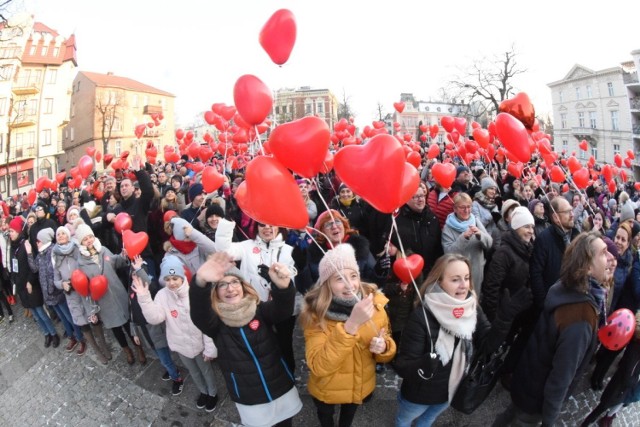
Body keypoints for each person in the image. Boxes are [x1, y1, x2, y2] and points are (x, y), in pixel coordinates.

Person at [394, 253, 529, 426]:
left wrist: (504, 319)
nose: (464, 285)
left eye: (467, 278)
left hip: (451, 391)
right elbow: (403, 366)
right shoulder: (421, 317)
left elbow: (487, 345)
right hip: (419, 396)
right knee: (403, 421)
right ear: (439, 281)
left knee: (428, 420)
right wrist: (421, 365)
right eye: (455, 279)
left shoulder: (471, 307)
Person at [497, 232, 611, 426]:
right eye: (603, 253)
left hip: (526, 383)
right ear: (588, 268)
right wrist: (549, 421)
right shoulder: (581, 317)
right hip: (536, 399)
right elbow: (560, 378)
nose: (610, 258)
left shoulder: (564, 286)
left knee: (507, 418)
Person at [189, 252, 302, 426]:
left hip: (279, 386)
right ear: (216, 293)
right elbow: (199, 314)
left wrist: (284, 288)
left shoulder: (260, 310)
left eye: (235, 282)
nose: (230, 288)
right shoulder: (216, 323)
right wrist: (200, 282)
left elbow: (283, 310)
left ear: (243, 286)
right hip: (249, 397)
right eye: (222, 285)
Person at [300, 244, 396, 427]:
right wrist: (351, 324)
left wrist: (383, 348)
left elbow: (387, 345)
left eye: (353, 276)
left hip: (358, 385)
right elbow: (318, 366)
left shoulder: (374, 305)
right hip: (326, 388)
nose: (349, 285)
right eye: (339, 279)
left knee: (348, 417)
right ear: (326, 283)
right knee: (325, 415)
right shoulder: (315, 314)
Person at [133, 255, 219, 411]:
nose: (171, 283)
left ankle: (213, 393)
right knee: (194, 371)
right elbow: (155, 318)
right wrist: (144, 298)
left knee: (206, 371)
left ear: (182, 277)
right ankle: (203, 392)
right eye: (168, 279)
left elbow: (207, 322)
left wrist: (210, 348)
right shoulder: (162, 295)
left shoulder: (195, 293)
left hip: (200, 345)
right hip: (181, 346)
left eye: (175, 278)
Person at [214, 218, 297, 372]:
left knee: (285, 344)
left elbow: (292, 279)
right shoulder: (246, 247)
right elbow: (222, 250)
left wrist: (276, 281)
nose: (267, 228)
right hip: (255, 307)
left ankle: (289, 374)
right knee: (261, 343)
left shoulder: (288, 250)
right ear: (256, 227)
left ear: (279, 227)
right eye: (262, 224)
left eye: (271, 224)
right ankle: (267, 373)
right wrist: (226, 225)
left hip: (281, 309)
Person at [75, 223, 145, 365]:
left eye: (90, 237)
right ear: (81, 242)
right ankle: (127, 350)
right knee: (116, 329)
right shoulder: (80, 264)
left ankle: (138, 349)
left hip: (119, 295)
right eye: (85, 239)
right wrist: (91, 311)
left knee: (128, 324)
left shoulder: (104, 250)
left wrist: (123, 256)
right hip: (103, 302)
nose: (89, 240)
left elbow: (116, 262)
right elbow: (84, 291)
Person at [52, 226, 111, 363]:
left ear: (68, 236)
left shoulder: (78, 249)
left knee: (94, 319)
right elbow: (55, 280)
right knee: (83, 324)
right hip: (71, 295)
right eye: (58, 234)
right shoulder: (55, 256)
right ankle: (97, 350)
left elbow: (86, 266)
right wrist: (62, 284)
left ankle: (103, 344)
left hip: (85, 292)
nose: (60, 235)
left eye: (63, 233)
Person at [26, 228, 85, 353]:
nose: (36, 243)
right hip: (48, 294)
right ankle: (71, 336)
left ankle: (80, 338)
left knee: (69, 316)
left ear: (44, 240)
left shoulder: (52, 251)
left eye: (38, 240)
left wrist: (52, 289)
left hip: (56, 292)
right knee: (62, 317)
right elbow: (35, 269)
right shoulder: (41, 253)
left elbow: (54, 272)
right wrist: (30, 254)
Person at [8, 216, 60, 347]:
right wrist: (14, 280)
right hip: (21, 287)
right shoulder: (12, 247)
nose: (10, 233)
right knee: (35, 316)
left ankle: (53, 333)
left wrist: (30, 281)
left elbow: (33, 265)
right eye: (9, 231)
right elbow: (13, 266)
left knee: (41, 313)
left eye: (12, 231)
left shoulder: (25, 244)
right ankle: (46, 334)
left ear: (19, 231)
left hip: (31, 285)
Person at [529, 196, 580, 311]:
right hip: (551, 305)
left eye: (571, 210)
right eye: (567, 212)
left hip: (572, 301)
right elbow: (536, 274)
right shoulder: (544, 239)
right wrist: (543, 304)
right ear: (556, 217)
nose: (572, 214)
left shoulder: (577, 236)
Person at [441, 192, 493, 296]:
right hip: (458, 276)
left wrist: (480, 235)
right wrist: (463, 237)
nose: (466, 210)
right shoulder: (448, 228)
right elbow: (448, 253)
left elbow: (489, 243)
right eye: (462, 207)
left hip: (477, 272)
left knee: (475, 300)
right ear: (455, 208)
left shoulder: (475, 221)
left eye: (469, 207)